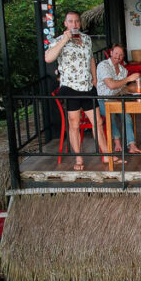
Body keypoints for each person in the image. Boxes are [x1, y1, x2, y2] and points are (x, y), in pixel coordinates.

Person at [45, 11, 98, 171]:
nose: (74, 24)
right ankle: (79, 159)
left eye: (76, 21)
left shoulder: (87, 39)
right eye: (71, 21)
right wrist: (65, 39)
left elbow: (91, 59)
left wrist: (94, 78)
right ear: (65, 24)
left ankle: (106, 154)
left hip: (87, 86)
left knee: (98, 122)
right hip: (70, 87)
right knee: (74, 124)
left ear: (80, 23)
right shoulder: (58, 40)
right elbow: (48, 58)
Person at [96, 44, 141, 156]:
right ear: (111, 53)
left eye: (121, 54)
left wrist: (134, 88)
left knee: (126, 116)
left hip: (114, 99)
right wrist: (129, 79)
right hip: (101, 99)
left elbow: (121, 88)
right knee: (110, 115)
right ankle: (117, 142)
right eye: (116, 53)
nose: (118, 56)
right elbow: (111, 85)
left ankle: (131, 145)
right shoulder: (103, 65)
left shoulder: (123, 70)